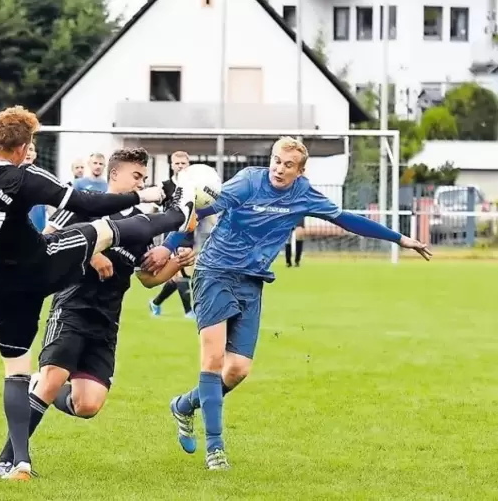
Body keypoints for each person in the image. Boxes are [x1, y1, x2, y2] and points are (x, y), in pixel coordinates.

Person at [0, 12, 196, 480]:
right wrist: (151, 196)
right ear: (21, 148)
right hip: (38, 271)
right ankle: (178, 212)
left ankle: (18, 461)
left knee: (17, 373)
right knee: (105, 230)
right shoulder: (25, 177)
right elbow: (84, 200)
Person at [141, 136, 432, 471]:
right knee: (213, 359)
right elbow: (201, 208)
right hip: (215, 273)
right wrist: (172, 243)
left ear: (300, 170)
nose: (279, 169)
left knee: (237, 370)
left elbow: (346, 219)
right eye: (276, 161)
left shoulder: (304, 194)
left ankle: (184, 405)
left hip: (253, 282)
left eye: (288, 165)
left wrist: (400, 238)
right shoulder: (249, 181)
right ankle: (216, 448)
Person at [0, 147, 197, 477]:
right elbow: (45, 239)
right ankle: (8, 459)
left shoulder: (139, 224)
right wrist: (88, 252)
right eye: (136, 176)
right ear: (115, 176)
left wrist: (176, 263)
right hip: (72, 307)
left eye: (144, 178)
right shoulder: (84, 206)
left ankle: (39, 386)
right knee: (54, 378)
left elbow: (146, 278)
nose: (142, 182)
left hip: (106, 321)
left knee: (88, 405)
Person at [150, 151, 195, 319]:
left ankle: (155, 303)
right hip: (171, 234)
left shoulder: (193, 186)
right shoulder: (165, 186)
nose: (180, 166)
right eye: (177, 163)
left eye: (183, 163)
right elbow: (155, 209)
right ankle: (189, 311)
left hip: (189, 233)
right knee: (182, 274)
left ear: (188, 164)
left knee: (178, 276)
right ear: (172, 165)